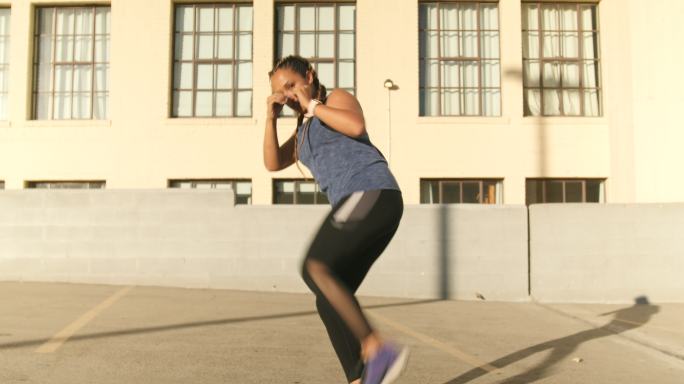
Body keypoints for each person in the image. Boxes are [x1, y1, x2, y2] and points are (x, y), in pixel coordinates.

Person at [263, 55, 409, 384]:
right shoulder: (302, 136)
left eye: (290, 85)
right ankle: (360, 379)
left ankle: (377, 347)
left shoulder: (335, 100)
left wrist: (312, 105)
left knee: (314, 265)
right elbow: (272, 163)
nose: (287, 96)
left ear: (310, 76)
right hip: (359, 204)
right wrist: (270, 118)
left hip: (372, 192)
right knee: (328, 299)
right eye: (279, 93)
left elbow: (356, 126)